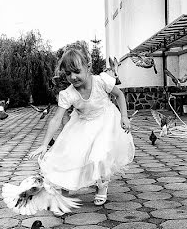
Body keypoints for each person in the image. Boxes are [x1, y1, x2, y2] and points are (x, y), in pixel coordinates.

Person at [29, 47, 135, 205]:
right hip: (82, 124)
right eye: (68, 73)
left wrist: (124, 117)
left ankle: (102, 186)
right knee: (70, 154)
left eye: (77, 71)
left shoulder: (101, 81)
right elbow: (56, 119)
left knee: (100, 154)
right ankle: (65, 185)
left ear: (88, 67)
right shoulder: (68, 94)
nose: (73, 77)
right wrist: (44, 144)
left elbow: (119, 94)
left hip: (106, 121)